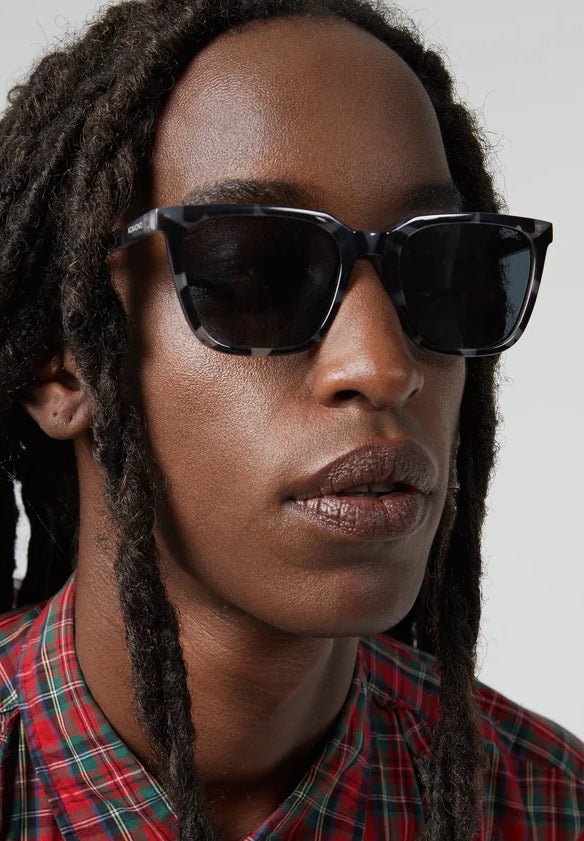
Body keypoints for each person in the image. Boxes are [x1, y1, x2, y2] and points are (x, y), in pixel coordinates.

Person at [0, 0, 581, 839]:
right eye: (256, 273)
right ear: (63, 362)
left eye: (441, 268)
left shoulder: (550, 806)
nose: (382, 365)